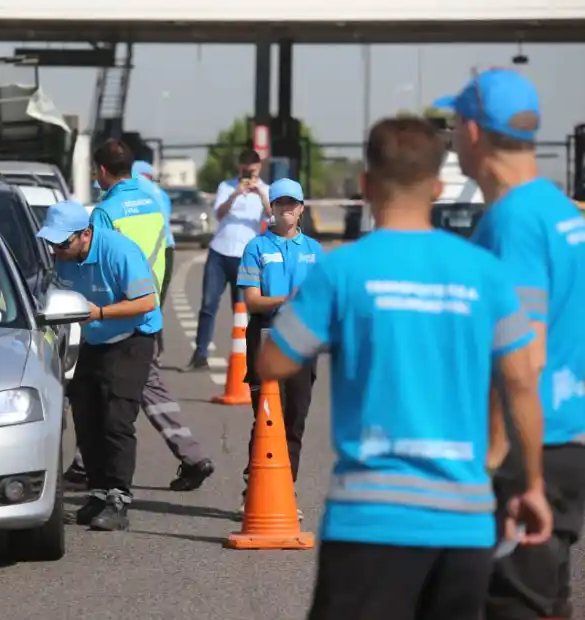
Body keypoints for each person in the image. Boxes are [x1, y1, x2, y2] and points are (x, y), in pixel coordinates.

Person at [257, 117, 552, 620]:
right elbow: (522, 381)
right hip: (464, 520)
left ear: (366, 185)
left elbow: (274, 359)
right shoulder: (484, 272)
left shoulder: (343, 268)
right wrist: (531, 486)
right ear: (438, 187)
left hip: (369, 519)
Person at [435, 68, 585, 620]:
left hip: (528, 452)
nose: (451, 136)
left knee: (509, 605)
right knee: (544, 603)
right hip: (563, 439)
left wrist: (493, 462)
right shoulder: (558, 209)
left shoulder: (514, 221)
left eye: (454, 123)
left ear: (473, 131)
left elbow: (522, 357)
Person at [65, 140, 215, 492]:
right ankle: (190, 457)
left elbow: (99, 266)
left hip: (118, 317)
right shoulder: (153, 203)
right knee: (141, 389)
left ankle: (93, 469)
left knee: (104, 398)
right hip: (147, 308)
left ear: (101, 171)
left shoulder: (105, 213)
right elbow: (168, 253)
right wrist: (154, 301)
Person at [37, 199, 161, 531]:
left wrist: (101, 313)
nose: (56, 249)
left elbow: (146, 302)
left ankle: (119, 499)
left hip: (132, 337)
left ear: (85, 235)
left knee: (115, 419)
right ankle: (99, 492)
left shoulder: (119, 251)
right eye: (51, 242)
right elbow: (56, 297)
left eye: (62, 242)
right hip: (93, 339)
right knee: (86, 417)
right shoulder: (64, 259)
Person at [236, 178, 323, 519]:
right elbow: (252, 301)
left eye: (293, 203)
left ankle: (285, 490)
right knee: (268, 419)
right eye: (280, 203)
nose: (286, 210)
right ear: (271, 208)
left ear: (302, 208)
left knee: (295, 419)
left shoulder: (314, 250)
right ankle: (254, 487)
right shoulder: (256, 248)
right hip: (266, 338)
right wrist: (287, 300)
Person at [186, 148, 270, 371]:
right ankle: (200, 354)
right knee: (208, 305)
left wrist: (260, 194)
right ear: (238, 168)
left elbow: (272, 216)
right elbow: (219, 214)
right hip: (220, 252)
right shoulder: (226, 186)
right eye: (244, 171)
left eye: (251, 171)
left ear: (258, 168)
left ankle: (248, 357)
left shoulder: (266, 190)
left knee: (243, 308)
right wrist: (236, 194)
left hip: (246, 257)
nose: (247, 176)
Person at [131, 160, 176, 356]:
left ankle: (150, 346)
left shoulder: (134, 189)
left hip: (143, 248)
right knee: (156, 301)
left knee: (137, 299)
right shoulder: (160, 194)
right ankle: (157, 345)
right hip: (165, 248)